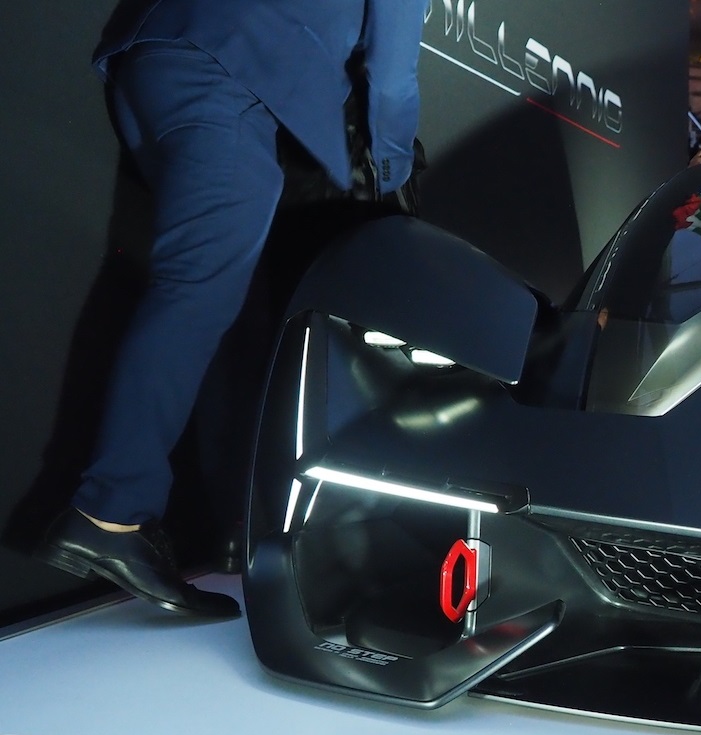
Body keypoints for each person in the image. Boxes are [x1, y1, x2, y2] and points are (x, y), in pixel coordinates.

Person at [30, 0, 424, 618]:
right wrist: (393, 171)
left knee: (215, 302)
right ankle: (109, 514)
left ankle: (202, 527)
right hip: (227, 76)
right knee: (196, 291)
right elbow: (393, 71)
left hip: (153, 57)